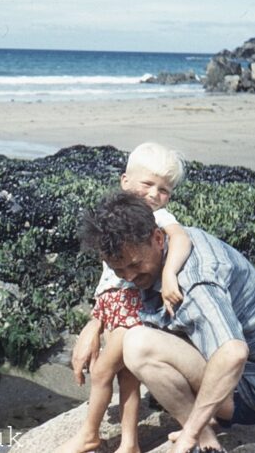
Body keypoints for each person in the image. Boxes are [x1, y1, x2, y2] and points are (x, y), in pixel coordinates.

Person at [76, 192, 255, 453]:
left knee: (138, 344)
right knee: (130, 333)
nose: (129, 276)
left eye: (134, 265)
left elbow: (234, 353)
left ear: (157, 238)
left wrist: (189, 433)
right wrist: (94, 324)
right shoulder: (171, 241)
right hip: (239, 374)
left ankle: (202, 437)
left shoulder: (193, 281)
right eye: (119, 271)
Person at [59, 142, 192, 453]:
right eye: (147, 184)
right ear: (125, 181)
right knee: (127, 376)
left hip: (134, 304)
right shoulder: (113, 220)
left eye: (164, 190)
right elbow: (108, 274)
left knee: (105, 370)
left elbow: (181, 237)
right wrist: (97, 317)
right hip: (113, 304)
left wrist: (170, 273)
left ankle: (89, 433)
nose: (154, 195)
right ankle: (129, 443)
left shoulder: (159, 219)